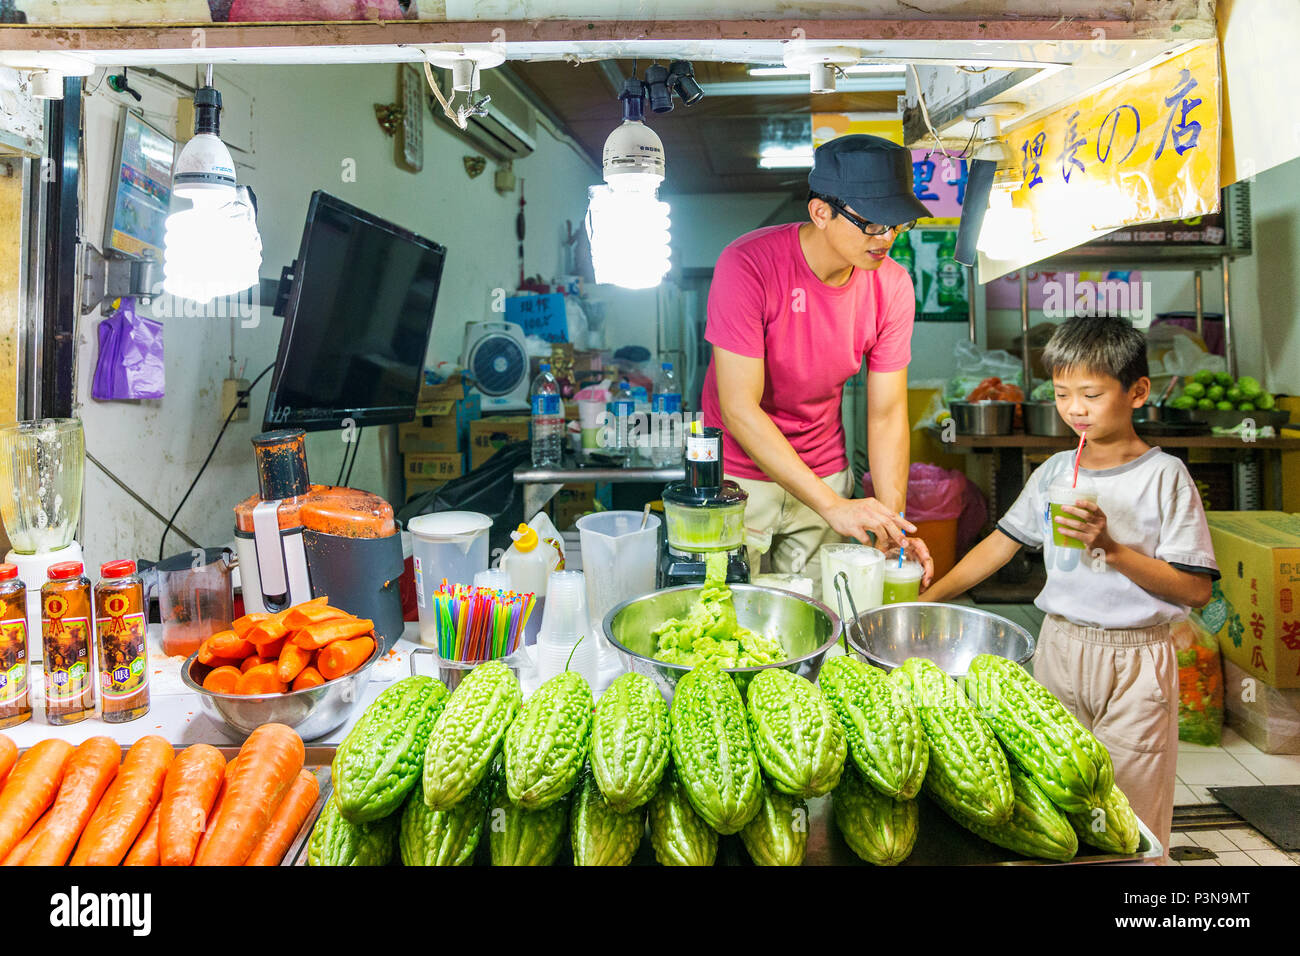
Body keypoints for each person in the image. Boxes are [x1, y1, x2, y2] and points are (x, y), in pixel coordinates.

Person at [920, 315, 1218, 856]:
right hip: (1059, 648)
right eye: (1061, 393)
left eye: (1091, 393)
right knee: (1055, 803)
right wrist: (927, 599)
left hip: (1136, 661)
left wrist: (1112, 549)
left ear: (1137, 392)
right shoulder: (1056, 470)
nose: (1074, 408)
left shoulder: (1164, 476)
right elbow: (1002, 542)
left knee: (1129, 811)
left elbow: (1195, 592)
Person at [701, 134, 934, 591]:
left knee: (819, 625)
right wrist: (833, 505)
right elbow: (739, 408)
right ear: (821, 212)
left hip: (826, 468)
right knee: (725, 616)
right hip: (737, 476)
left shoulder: (893, 286)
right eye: (872, 223)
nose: (885, 238)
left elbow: (886, 415)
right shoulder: (748, 264)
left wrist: (891, 526)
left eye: (896, 224)